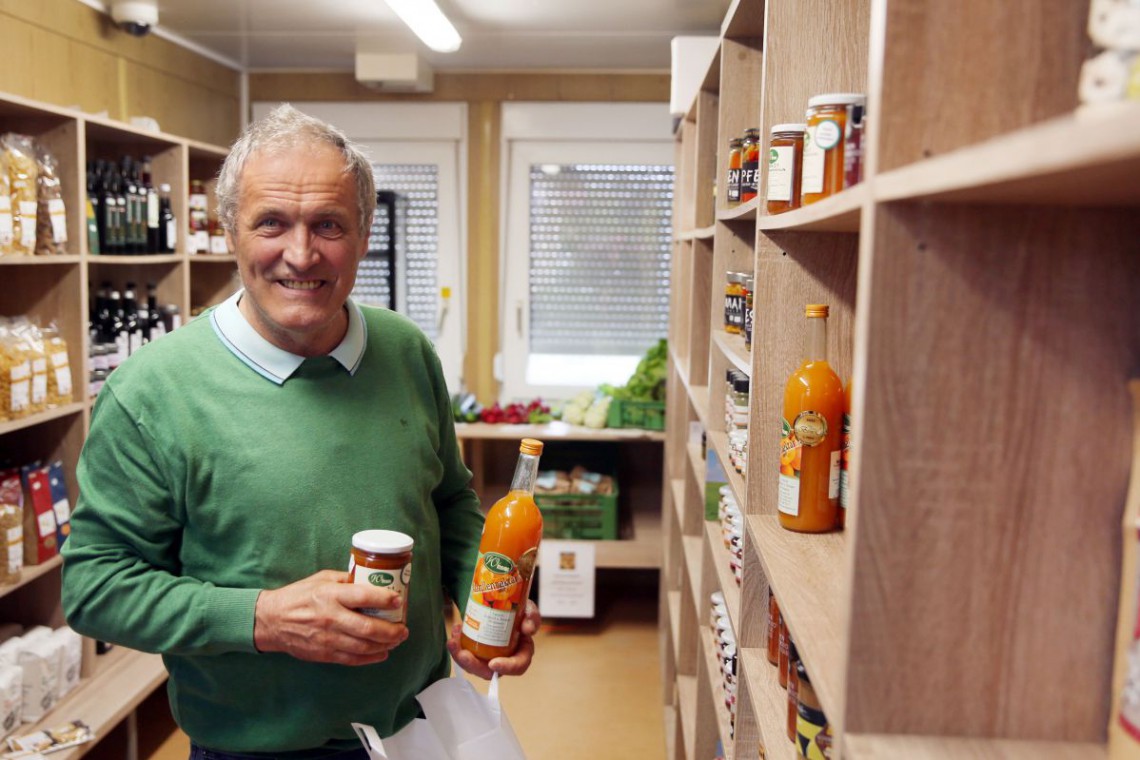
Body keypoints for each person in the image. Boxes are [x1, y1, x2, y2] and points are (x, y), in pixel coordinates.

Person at [61, 104, 539, 759]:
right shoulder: (152, 391)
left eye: (329, 225)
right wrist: (263, 619)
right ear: (230, 231)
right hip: (253, 746)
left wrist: (482, 595)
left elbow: (449, 502)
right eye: (272, 223)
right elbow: (96, 589)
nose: (301, 253)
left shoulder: (406, 352)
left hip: (421, 728)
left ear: (365, 233)